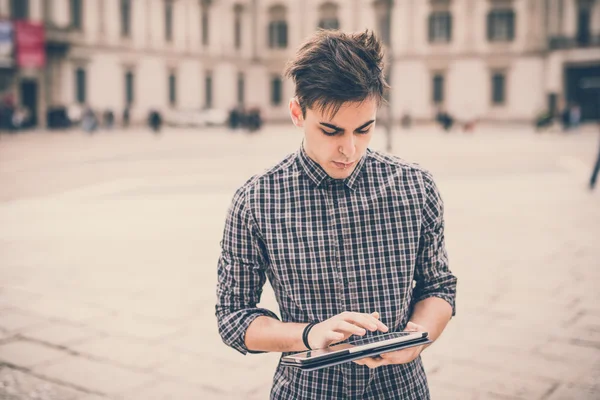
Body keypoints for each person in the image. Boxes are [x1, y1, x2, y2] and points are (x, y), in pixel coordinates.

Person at [215, 30, 457, 399]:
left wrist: (416, 339)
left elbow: (439, 287)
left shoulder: (415, 186)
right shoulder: (257, 200)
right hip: (307, 391)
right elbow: (233, 317)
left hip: (402, 389)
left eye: (365, 129)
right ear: (298, 112)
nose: (349, 148)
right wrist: (310, 334)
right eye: (331, 131)